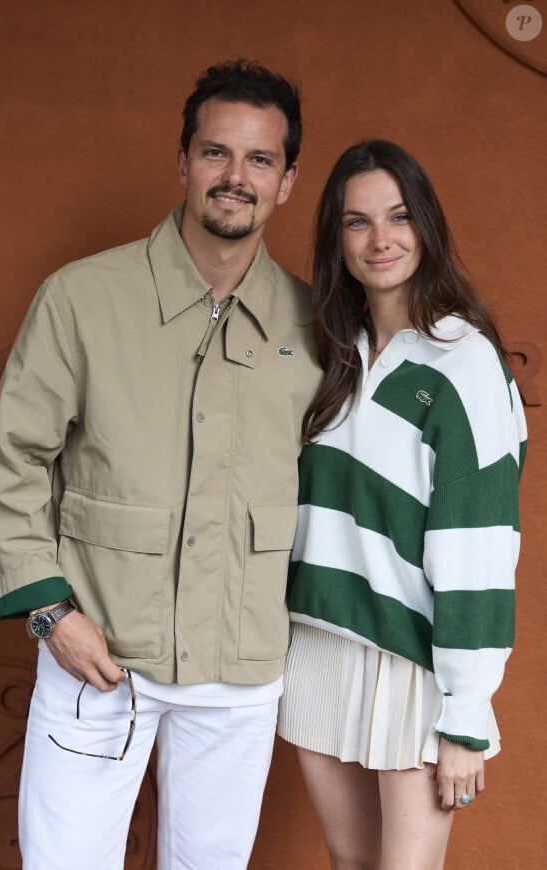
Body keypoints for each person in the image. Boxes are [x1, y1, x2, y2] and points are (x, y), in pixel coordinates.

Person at [0, 59, 321, 870]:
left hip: (239, 675)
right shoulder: (82, 298)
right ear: (183, 162)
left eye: (259, 159)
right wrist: (51, 614)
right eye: (215, 153)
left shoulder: (316, 325)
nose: (235, 177)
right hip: (98, 659)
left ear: (288, 180)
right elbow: (10, 462)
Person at [277, 139, 527, 870]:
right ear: (336, 239)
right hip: (319, 646)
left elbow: (479, 548)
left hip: (412, 663)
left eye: (398, 216)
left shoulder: (465, 363)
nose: (379, 239)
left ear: (426, 226)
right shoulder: (333, 350)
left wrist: (466, 718)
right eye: (357, 222)